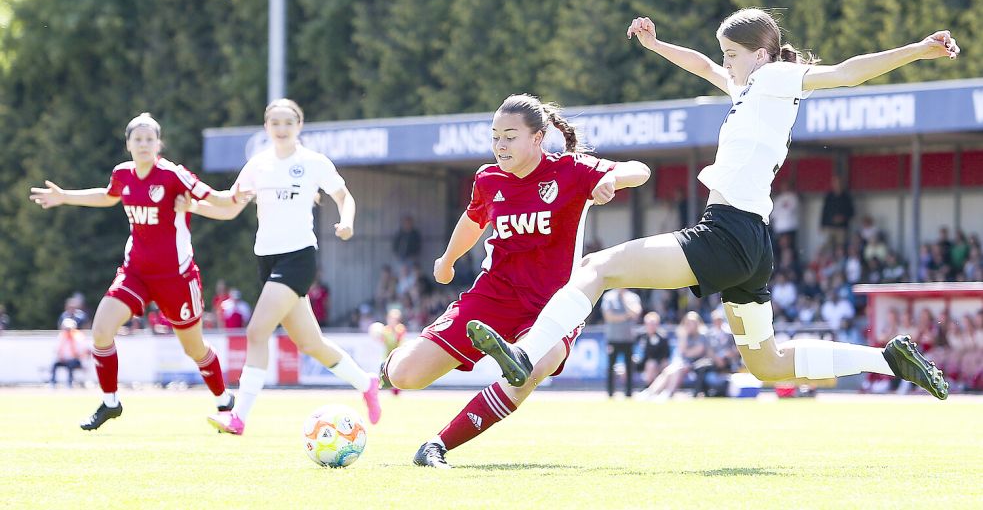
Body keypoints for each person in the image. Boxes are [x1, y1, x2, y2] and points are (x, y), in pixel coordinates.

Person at [469, 9, 957, 402]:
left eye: (732, 54)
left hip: (725, 234)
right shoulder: (750, 89)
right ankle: (886, 359)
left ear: (761, 55)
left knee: (598, 267)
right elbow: (702, 66)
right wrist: (657, 45)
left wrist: (918, 49)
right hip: (751, 244)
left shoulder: (775, 78)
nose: (724, 63)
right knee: (767, 363)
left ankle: (526, 354)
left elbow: (846, 73)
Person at [380, 94, 651, 467]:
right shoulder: (488, 179)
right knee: (405, 376)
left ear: (537, 138)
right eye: (495, 137)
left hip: (554, 305)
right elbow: (474, 220)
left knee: (532, 368)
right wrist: (447, 260)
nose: (500, 145)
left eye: (509, 136)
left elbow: (641, 169)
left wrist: (611, 179)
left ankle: (436, 446)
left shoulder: (572, 170)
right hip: (494, 296)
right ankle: (387, 367)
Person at [181, 99, 381, 435]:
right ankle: (367, 383)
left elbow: (345, 197)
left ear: (299, 126)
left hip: (298, 257)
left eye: (288, 122)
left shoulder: (313, 162)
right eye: (275, 123)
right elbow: (229, 206)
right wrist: (192, 206)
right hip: (267, 258)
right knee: (311, 343)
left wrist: (347, 223)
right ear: (266, 128)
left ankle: (238, 416)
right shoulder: (258, 165)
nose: (282, 128)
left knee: (256, 331)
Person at [29, 112, 240, 430]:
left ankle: (224, 400)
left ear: (159, 144)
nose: (144, 144)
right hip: (135, 272)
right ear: (127, 144)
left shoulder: (173, 175)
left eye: (149, 139)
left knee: (193, 348)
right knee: (101, 330)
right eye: (137, 139)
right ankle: (110, 402)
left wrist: (243, 192)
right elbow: (108, 195)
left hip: (177, 277)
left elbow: (219, 200)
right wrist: (64, 197)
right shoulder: (123, 174)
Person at [600, 287, 642, 397]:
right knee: (611, 367)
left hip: (628, 338)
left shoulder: (632, 297)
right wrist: (626, 316)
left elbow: (636, 313)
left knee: (629, 367)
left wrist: (625, 302)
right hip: (613, 338)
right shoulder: (609, 297)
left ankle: (628, 393)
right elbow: (608, 317)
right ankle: (610, 393)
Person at [635, 311, 671, 388]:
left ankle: (649, 388)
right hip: (641, 362)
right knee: (623, 367)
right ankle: (627, 390)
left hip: (657, 363)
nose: (650, 326)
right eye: (648, 324)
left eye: (653, 324)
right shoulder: (641, 336)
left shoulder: (662, 337)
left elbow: (666, 355)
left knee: (651, 364)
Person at [820, 175, 854, 250]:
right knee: (828, 247)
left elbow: (851, 212)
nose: (837, 185)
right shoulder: (829, 196)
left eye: (839, 183)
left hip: (842, 228)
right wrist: (822, 225)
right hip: (830, 226)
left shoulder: (846, 197)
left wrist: (843, 218)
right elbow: (824, 211)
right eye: (835, 183)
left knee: (841, 248)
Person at [51, 318, 87, 387]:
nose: (67, 330)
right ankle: (53, 383)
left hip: (76, 360)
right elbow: (57, 350)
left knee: (70, 364)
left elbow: (82, 351)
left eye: (69, 329)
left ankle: (69, 383)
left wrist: (73, 358)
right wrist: (61, 357)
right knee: (55, 364)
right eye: (66, 328)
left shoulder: (78, 336)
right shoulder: (61, 336)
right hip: (64, 359)